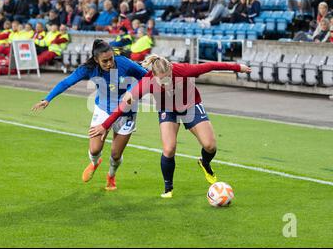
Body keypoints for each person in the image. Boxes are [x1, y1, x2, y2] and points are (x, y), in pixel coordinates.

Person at [89, 55, 251, 198]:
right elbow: (124, 105)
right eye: (162, 80)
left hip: (190, 105)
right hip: (167, 110)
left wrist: (238, 67)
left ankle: (205, 162)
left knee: (210, 145)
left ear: (171, 69)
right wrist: (105, 125)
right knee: (169, 149)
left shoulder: (184, 70)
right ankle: (168, 188)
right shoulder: (146, 82)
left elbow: (211, 66)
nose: (166, 82)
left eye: (168, 77)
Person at [32, 39, 147, 190]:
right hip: (103, 109)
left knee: (115, 154)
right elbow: (67, 82)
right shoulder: (88, 68)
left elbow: (147, 77)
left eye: (111, 59)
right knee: (94, 150)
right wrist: (47, 99)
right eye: (104, 61)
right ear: (96, 59)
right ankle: (95, 163)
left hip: (126, 112)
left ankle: (111, 176)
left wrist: (133, 90)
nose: (109, 64)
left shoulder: (124, 63)